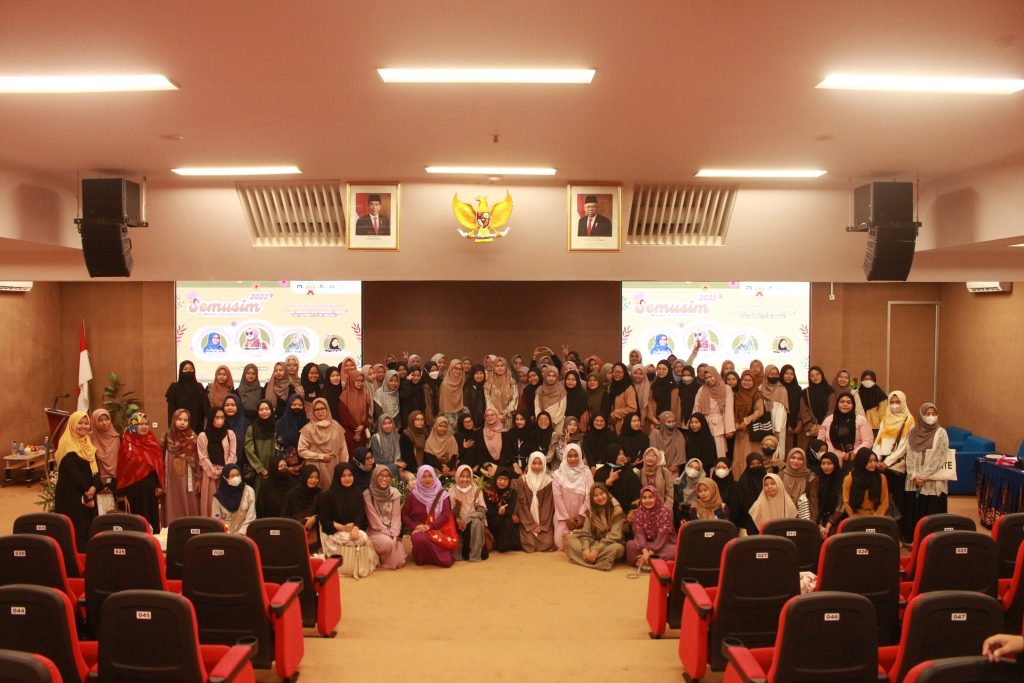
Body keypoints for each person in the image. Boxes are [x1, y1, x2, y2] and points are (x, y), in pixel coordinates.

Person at [319, 462, 378, 574]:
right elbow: (324, 520)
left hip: (352, 530)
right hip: (334, 532)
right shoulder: (328, 495)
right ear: (337, 477)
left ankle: (361, 565)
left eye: (350, 475)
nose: (347, 478)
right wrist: (343, 527)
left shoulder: (356, 492)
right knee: (363, 538)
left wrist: (356, 527)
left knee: (360, 537)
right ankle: (360, 567)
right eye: (343, 476)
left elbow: (360, 514)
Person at [873, 390, 915, 539]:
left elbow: (904, 446)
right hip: (880, 465)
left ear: (903, 402)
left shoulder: (909, 420)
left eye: (898, 402)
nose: (895, 405)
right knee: (882, 500)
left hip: (896, 466)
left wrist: (886, 462)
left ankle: (896, 534)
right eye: (892, 402)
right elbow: (878, 440)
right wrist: (875, 459)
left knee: (896, 502)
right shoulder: (886, 418)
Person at [903, 402, 950, 532]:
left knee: (932, 515)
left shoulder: (941, 433)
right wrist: (914, 475)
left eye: (934, 414)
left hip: (933, 482)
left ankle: (933, 542)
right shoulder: (913, 431)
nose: (931, 417)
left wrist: (923, 476)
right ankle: (915, 541)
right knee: (915, 512)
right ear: (921, 415)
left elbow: (939, 458)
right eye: (927, 414)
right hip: (915, 480)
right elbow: (910, 454)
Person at [116, 412, 165, 532]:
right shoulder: (126, 442)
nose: (144, 426)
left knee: (150, 519)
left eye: (146, 424)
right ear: (133, 425)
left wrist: (159, 484)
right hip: (132, 490)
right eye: (140, 424)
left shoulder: (152, 442)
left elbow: (159, 465)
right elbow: (122, 468)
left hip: (149, 489)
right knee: (135, 521)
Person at [401, 465, 456, 568]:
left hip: (438, 529)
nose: (427, 479)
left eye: (430, 476)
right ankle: (422, 557)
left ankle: (433, 556)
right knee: (420, 539)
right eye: (424, 476)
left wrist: (430, 526)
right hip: (419, 530)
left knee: (446, 562)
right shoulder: (413, 495)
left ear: (434, 477)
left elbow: (445, 515)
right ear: (419, 478)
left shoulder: (442, 494)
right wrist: (415, 526)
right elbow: (404, 516)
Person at [566, 483, 625, 571]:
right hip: (594, 542)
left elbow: (614, 535)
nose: (600, 497)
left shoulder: (616, 511)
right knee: (571, 540)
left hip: (610, 544)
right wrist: (586, 549)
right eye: (595, 495)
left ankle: (585, 559)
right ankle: (599, 560)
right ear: (592, 498)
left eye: (602, 493)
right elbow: (586, 532)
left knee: (617, 549)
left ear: (607, 494)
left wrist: (596, 550)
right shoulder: (590, 511)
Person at [54, 441, 99, 547]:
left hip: (87, 494)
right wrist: (89, 491)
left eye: (86, 423)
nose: (83, 426)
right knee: (74, 533)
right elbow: (73, 474)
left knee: (88, 530)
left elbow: (96, 470)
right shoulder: (67, 445)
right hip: (71, 497)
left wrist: (94, 486)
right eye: (80, 423)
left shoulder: (88, 445)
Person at [298, 397, 348, 490]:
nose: (320, 412)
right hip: (315, 469)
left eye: (322, 408)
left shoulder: (336, 426)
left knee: (333, 493)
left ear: (327, 409)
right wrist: (320, 456)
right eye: (316, 409)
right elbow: (301, 450)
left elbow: (343, 450)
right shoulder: (308, 429)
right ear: (312, 411)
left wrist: (343, 468)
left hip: (334, 466)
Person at [362, 465, 406, 569]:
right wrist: (389, 535)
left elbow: (396, 516)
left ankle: (381, 556)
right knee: (388, 544)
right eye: (381, 476)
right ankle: (376, 554)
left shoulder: (394, 492)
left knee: (400, 562)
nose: (384, 479)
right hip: (375, 532)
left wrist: (395, 534)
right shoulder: (367, 494)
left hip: (392, 532)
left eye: (387, 476)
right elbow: (374, 521)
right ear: (375, 477)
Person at [551, 444, 593, 551]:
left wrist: (582, 515)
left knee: (584, 541)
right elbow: (557, 498)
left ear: (580, 456)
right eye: (570, 456)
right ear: (565, 456)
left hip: (583, 514)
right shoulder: (558, 474)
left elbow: (590, 495)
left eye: (576, 455)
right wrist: (566, 519)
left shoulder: (586, 472)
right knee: (560, 543)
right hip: (564, 516)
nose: (573, 459)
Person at [197, 406, 236, 517]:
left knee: (226, 507)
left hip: (227, 476)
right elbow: (202, 457)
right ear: (211, 418)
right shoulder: (202, 436)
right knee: (210, 505)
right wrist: (214, 471)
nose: (220, 420)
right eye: (217, 417)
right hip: (209, 476)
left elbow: (233, 454)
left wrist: (225, 470)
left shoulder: (230, 434)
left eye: (222, 417)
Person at [163, 408, 200, 523]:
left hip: (188, 478)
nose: (182, 422)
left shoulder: (193, 438)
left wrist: (199, 478)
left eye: (185, 420)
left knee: (189, 500)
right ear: (174, 420)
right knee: (173, 501)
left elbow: (198, 459)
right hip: (172, 479)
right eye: (179, 419)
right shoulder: (166, 438)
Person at [626, 485, 676, 569]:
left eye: (650, 497)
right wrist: (645, 552)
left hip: (663, 545)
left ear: (656, 497)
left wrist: (650, 554)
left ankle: (644, 561)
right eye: (644, 498)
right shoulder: (639, 512)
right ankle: (654, 562)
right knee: (630, 545)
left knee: (675, 550)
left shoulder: (665, 512)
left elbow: (662, 536)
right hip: (646, 544)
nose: (647, 500)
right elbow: (639, 534)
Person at [515, 452, 555, 552]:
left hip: (543, 522)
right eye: (534, 463)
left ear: (544, 464)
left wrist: (542, 526)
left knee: (547, 542)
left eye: (540, 463)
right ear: (529, 464)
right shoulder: (522, 480)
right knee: (528, 543)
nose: (537, 466)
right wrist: (531, 525)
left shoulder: (548, 481)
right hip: (527, 521)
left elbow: (548, 505)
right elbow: (522, 504)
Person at [819, 391, 873, 465]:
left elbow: (868, 441)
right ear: (837, 403)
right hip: (831, 461)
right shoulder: (828, 420)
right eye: (842, 402)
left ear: (853, 405)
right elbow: (820, 442)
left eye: (848, 402)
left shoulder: (860, 420)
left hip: (854, 459)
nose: (845, 404)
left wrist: (853, 453)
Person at [694, 367, 735, 459]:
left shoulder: (726, 388)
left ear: (716, 375)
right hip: (704, 424)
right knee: (705, 453)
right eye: (706, 378)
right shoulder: (702, 389)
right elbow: (696, 408)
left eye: (711, 376)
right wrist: (695, 424)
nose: (709, 379)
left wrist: (729, 429)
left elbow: (728, 409)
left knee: (719, 453)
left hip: (718, 425)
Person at [450, 464, 488, 562]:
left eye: (468, 476)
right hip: (457, 521)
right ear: (457, 476)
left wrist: (466, 519)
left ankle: (475, 555)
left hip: (473, 520)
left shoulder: (476, 490)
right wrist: (458, 518)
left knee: (477, 522)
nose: (465, 479)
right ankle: (461, 553)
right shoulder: (452, 491)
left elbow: (481, 512)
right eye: (462, 476)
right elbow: (451, 512)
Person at [281, 465, 322, 550]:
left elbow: (325, 512)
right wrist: (300, 527)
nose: (314, 480)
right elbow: (284, 517)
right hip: (294, 535)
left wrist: (315, 518)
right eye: (310, 477)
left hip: (313, 535)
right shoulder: (292, 495)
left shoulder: (319, 493)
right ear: (304, 477)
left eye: (316, 477)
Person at [843, 447, 889, 517]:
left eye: (875, 460)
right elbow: (846, 501)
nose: (873, 464)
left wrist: (876, 518)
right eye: (870, 461)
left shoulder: (881, 478)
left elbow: (884, 502)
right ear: (861, 462)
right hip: (856, 517)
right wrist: (854, 517)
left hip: (877, 517)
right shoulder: (849, 479)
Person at [243, 399, 277, 497]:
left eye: (267, 409)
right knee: (258, 496)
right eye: (261, 409)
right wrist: (261, 469)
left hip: (275, 469)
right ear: (257, 412)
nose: (264, 412)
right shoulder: (252, 428)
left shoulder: (276, 426)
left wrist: (276, 468)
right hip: (259, 470)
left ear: (271, 410)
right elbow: (249, 450)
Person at [165, 360, 209, 433]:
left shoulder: (199, 387)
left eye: (191, 369)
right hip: (179, 426)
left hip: (197, 427)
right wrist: (171, 426)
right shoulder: (174, 387)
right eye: (185, 369)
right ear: (181, 371)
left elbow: (205, 407)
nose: (188, 371)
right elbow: (171, 410)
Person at [484, 467, 521, 552]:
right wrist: (498, 512)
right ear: (496, 478)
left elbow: (510, 510)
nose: (502, 482)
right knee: (496, 520)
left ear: (509, 481)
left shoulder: (512, 492)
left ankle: (502, 544)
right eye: (500, 479)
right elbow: (487, 510)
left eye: (505, 479)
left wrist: (503, 512)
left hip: (505, 518)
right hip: (491, 519)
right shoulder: (488, 490)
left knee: (507, 520)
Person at [210, 464, 255, 534]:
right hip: (224, 536)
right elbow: (216, 521)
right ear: (225, 478)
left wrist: (241, 533)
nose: (236, 478)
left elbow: (251, 517)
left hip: (244, 535)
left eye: (237, 475)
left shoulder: (249, 491)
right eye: (232, 476)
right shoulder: (218, 497)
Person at [778, 448, 818, 522]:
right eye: (793, 458)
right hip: (783, 515)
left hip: (802, 517)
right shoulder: (781, 475)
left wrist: (812, 522)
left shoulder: (810, 477)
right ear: (788, 458)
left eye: (800, 459)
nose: (796, 461)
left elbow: (813, 501)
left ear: (804, 461)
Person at [799, 366, 833, 449]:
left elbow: (831, 410)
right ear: (809, 378)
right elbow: (803, 411)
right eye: (812, 375)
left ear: (822, 375)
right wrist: (811, 427)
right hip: (811, 431)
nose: (815, 377)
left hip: (827, 429)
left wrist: (822, 427)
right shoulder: (805, 393)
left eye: (817, 374)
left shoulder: (830, 391)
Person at [813, 452, 845, 539]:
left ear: (835, 464)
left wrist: (827, 526)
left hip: (835, 519)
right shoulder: (816, 480)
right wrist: (820, 526)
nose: (825, 467)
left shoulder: (841, 480)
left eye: (829, 463)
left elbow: (841, 506)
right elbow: (814, 503)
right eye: (823, 463)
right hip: (817, 519)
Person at [222, 395, 252, 485]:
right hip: (221, 465)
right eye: (227, 405)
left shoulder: (245, 423)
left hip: (241, 464)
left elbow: (248, 445)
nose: (230, 407)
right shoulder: (219, 422)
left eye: (233, 405)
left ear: (238, 406)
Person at [736, 452, 767, 535]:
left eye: (758, 463)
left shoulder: (767, 478)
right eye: (752, 464)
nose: (756, 466)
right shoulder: (743, 481)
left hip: (766, 517)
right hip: (747, 519)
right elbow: (742, 502)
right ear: (748, 465)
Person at [649, 411, 687, 475]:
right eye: (668, 422)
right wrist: (660, 469)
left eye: (673, 421)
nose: (672, 424)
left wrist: (671, 469)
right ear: (663, 422)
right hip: (656, 469)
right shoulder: (655, 434)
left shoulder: (679, 435)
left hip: (673, 471)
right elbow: (653, 452)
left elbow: (680, 456)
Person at [606, 362, 638, 434]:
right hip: (611, 424)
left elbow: (633, 408)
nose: (617, 374)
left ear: (625, 373)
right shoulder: (610, 387)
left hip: (622, 424)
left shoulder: (628, 388)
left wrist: (615, 413)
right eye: (615, 372)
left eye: (620, 372)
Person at [502, 411, 537, 475]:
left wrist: (529, 464)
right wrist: (515, 465)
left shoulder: (532, 434)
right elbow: (507, 450)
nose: (519, 422)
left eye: (521, 419)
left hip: (529, 463)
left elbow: (534, 451)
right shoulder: (511, 432)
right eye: (517, 419)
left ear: (526, 420)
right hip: (512, 463)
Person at [89, 408, 120, 479]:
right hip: (96, 480)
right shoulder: (89, 438)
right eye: (100, 420)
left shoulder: (116, 437)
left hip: (116, 478)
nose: (104, 422)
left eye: (107, 419)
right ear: (94, 422)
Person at [673, 457, 705, 524]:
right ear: (686, 467)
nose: (693, 470)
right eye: (691, 466)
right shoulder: (677, 484)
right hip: (681, 517)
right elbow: (675, 504)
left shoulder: (702, 485)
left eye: (697, 469)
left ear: (700, 471)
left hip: (698, 518)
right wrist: (680, 518)